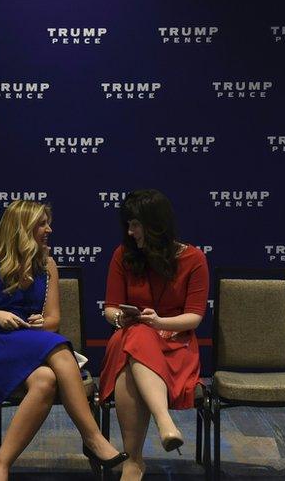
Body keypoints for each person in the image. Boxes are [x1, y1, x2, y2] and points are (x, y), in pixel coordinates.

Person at [0, 200, 128, 481]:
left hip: (26, 341)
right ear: (22, 228)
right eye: (42, 224)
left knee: (46, 380)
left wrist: (41, 323)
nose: (50, 229)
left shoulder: (47, 265)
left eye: (48, 223)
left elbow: (53, 320)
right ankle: (93, 439)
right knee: (60, 347)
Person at [97, 189, 209, 481]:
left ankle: (133, 461)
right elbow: (110, 308)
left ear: (155, 224)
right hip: (131, 336)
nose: (131, 232)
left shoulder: (194, 258)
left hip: (176, 345)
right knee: (135, 337)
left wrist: (161, 321)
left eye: (136, 224)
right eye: (128, 225)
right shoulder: (123, 255)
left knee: (133, 347)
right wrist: (121, 317)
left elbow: (194, 317)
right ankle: (164, 422)